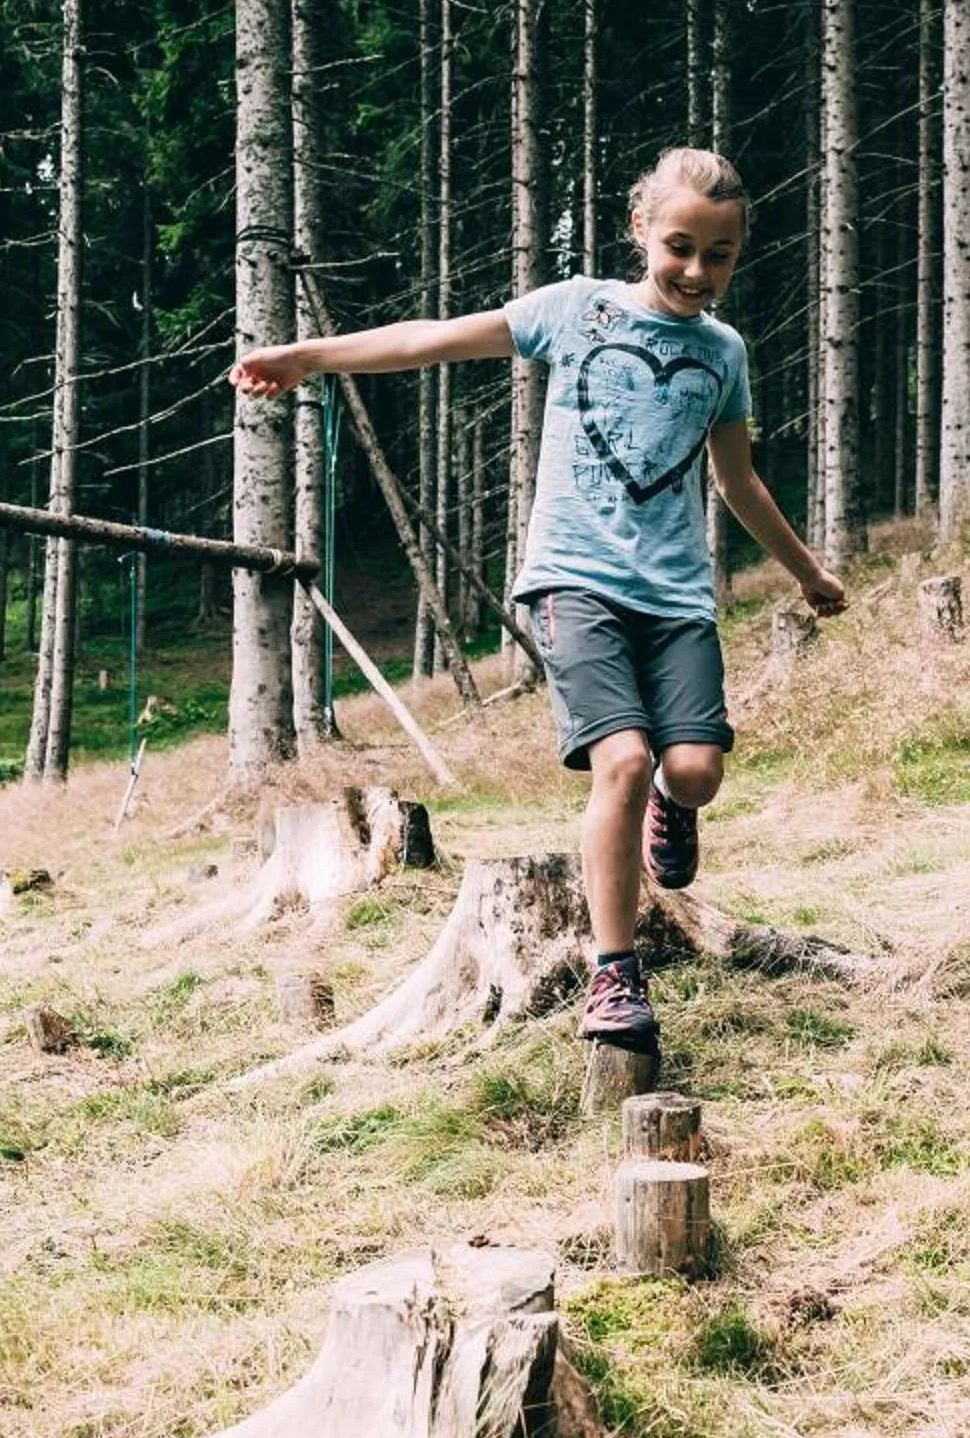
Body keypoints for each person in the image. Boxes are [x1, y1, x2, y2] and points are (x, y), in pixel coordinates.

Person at [231, 146, 846, 1055]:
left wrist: (804, 570)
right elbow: (430, 338)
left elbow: (739, 479)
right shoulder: (576, 311)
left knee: (693, 773)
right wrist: (308, 358)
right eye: (680, 245)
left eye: (719, 256)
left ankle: (673, 817)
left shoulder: (724, 354)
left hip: (677, 598)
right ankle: (615, 976)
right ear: (642, 231)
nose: (695, 270)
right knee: (624, 765)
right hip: (575, 582)